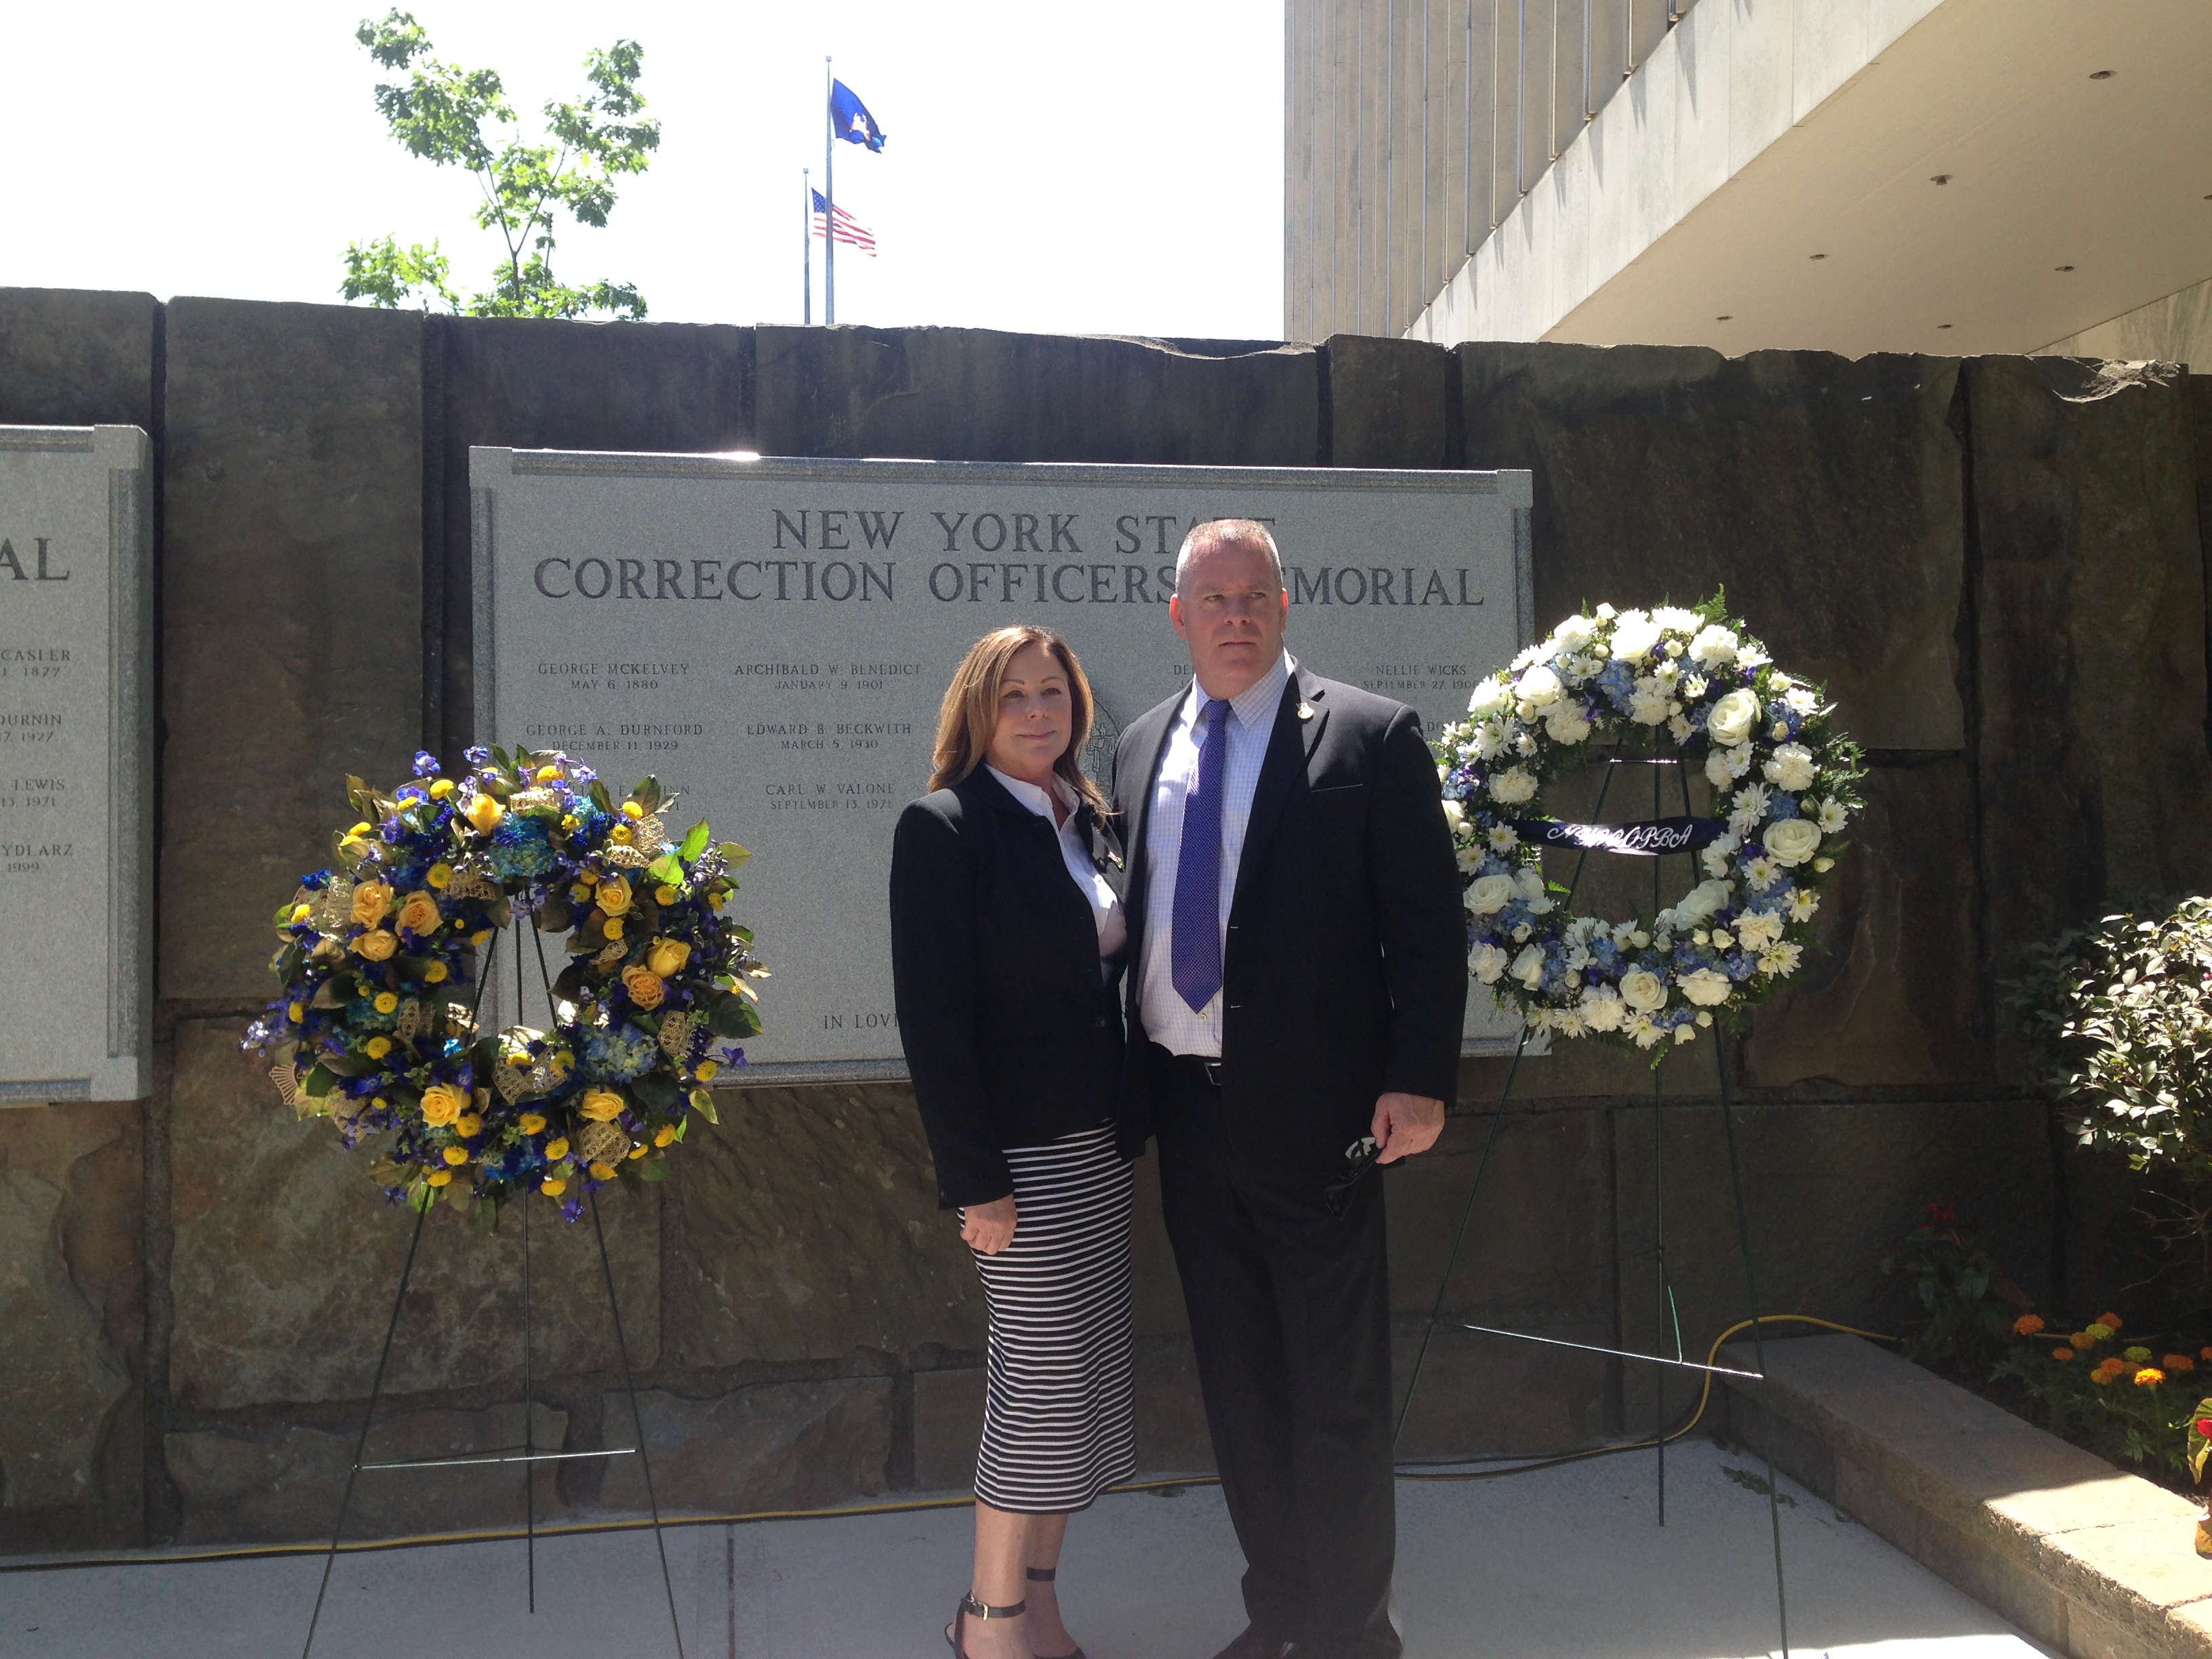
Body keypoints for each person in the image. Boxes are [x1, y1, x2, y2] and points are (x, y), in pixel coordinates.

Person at [1111, 520, 1467, 1659]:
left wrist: (1419, 1079)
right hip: (1187, 1116)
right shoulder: (1140, 745)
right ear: (1179, 615)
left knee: (1335, 1393)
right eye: (1213, 598)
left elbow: (1427, 927)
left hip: (1320, 1124)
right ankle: (1281, 1619)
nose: (1235, 615)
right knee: (1241, 1389)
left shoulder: (1368, 736)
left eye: (1254, 594)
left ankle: (1354, 1636)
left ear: (1284, 605)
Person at [890, 625, 1135, 1659]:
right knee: (1039, 1383)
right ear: (979, 712)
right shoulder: (945, 827)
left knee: (1085, 1379)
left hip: (1098, 1145)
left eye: (1054, 692)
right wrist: (976, 1183)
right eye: (1015, 695)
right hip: (1016, 1160)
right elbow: (933, 1023)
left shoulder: (1092, 821)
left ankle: (1039, 1600)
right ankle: (988, 1622)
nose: (1038, 712)